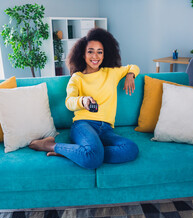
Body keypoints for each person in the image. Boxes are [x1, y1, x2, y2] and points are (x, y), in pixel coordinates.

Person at [29, 28, 140, 169]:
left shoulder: (112, 73)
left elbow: (134, 67)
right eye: (90, 51)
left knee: (131, 149)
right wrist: (83, 101)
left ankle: (77, 153)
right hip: (83, 125)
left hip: (106, 129)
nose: (95, 56)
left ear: (105, 55)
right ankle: (51, 145)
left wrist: (130, 74)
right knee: (93, 160)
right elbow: (69, 102)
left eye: (100, 52)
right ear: (82, 54)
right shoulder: (77, 78)